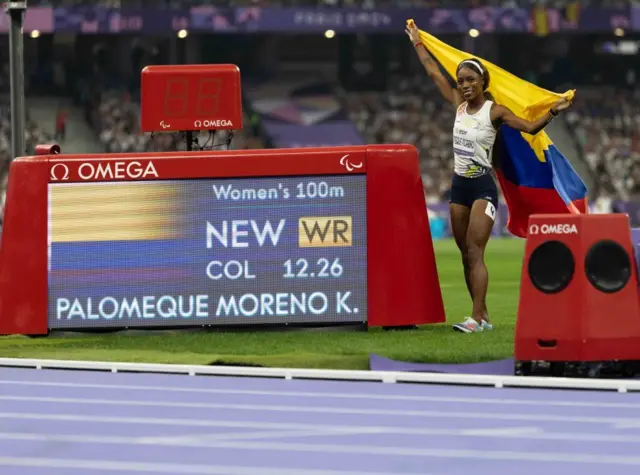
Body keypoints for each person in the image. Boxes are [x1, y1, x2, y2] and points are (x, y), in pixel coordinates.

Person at [406, 21, 573, 333]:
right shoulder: (458, 105)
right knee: (463, 256)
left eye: (470, 79)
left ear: (482, 81)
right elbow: (432, 71)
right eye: (461, 80)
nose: (465, 84)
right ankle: (482, 318)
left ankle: (476, 317)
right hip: (458, 187)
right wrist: (419, 43)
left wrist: (555, 110)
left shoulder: (495, 111)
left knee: (474, 250)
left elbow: (529, 127)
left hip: (483, 186)